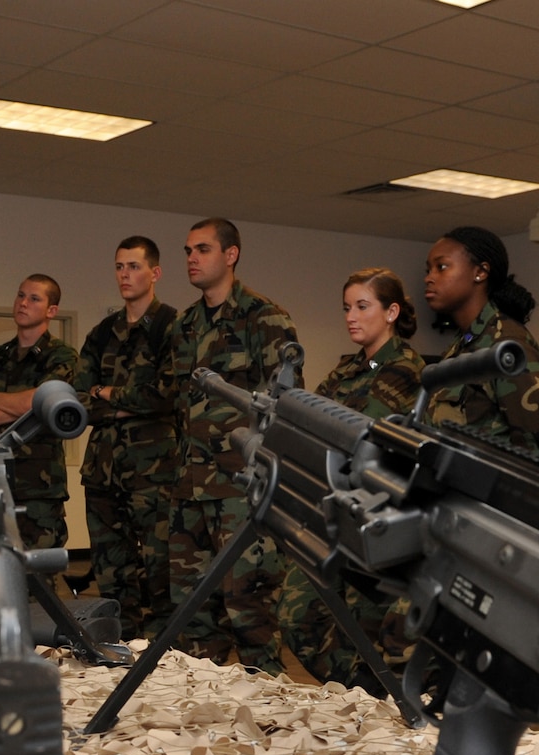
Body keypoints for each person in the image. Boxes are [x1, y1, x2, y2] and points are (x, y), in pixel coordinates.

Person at [160, 217, 299, 673]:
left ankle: (269, 705)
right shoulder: (183, 324)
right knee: (192, 614)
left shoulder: (265, 317)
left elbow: (285, 406)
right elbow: (179, 404)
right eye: (187, 251)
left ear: (231, 254)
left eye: (202, 249)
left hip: (241, 489)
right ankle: (205, 705)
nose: (191, 259)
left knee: (249, 610)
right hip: (190, 487)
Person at [278, 268, 425, 686]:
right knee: (297, 616)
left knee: (369, 624)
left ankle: (375, 697)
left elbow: (360, 434)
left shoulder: (405, 369)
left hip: (377, 514)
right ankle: (358, 690)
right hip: (333, 507)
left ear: (391, 312)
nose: (351, 317)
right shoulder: (348, 369)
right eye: (346, 308)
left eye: (362, 306)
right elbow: (310, 418)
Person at [75, 236, 178, 638]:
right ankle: (121, 645)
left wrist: (106, 392)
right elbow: (78, 400)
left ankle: (166, 651)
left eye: (134, 266)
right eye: (119, 267)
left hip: (154, 472)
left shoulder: (171, 327)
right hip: (103, 469)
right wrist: (122, 402)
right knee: (111, 569)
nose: (124, 275)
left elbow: (166, 395)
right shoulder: (103, 333)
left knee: (161, 568)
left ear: (155, 273)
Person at [420, 226, 539, 461]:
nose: (429, 278)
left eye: (441, 267)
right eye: (428, 270)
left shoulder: (507, 344)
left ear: (480, 272)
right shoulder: (462, 344)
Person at [0, 274, 77, 550]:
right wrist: (26, 406)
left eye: (34, 298)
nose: (23, 303)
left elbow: (42, 402)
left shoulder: (62, 356)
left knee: (39, 567)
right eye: (20, 295)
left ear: (52, 310)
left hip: (39, 485)